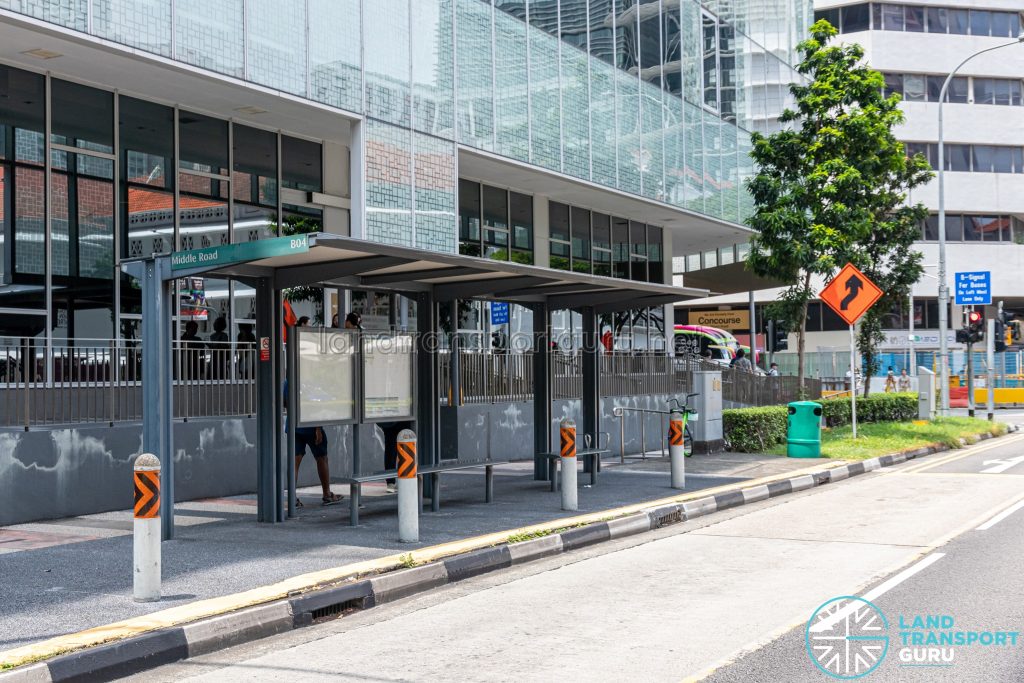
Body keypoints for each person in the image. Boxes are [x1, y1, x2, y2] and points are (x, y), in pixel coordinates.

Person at [284, 380, 342, 507]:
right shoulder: (309, 381)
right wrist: (318, 428)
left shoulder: (288, 381)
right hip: (310, 425)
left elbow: (284, 402)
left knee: (294, 462)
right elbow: (316, 404)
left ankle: (292, 498)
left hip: (293, 425)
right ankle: (327, 494)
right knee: (322, 457)